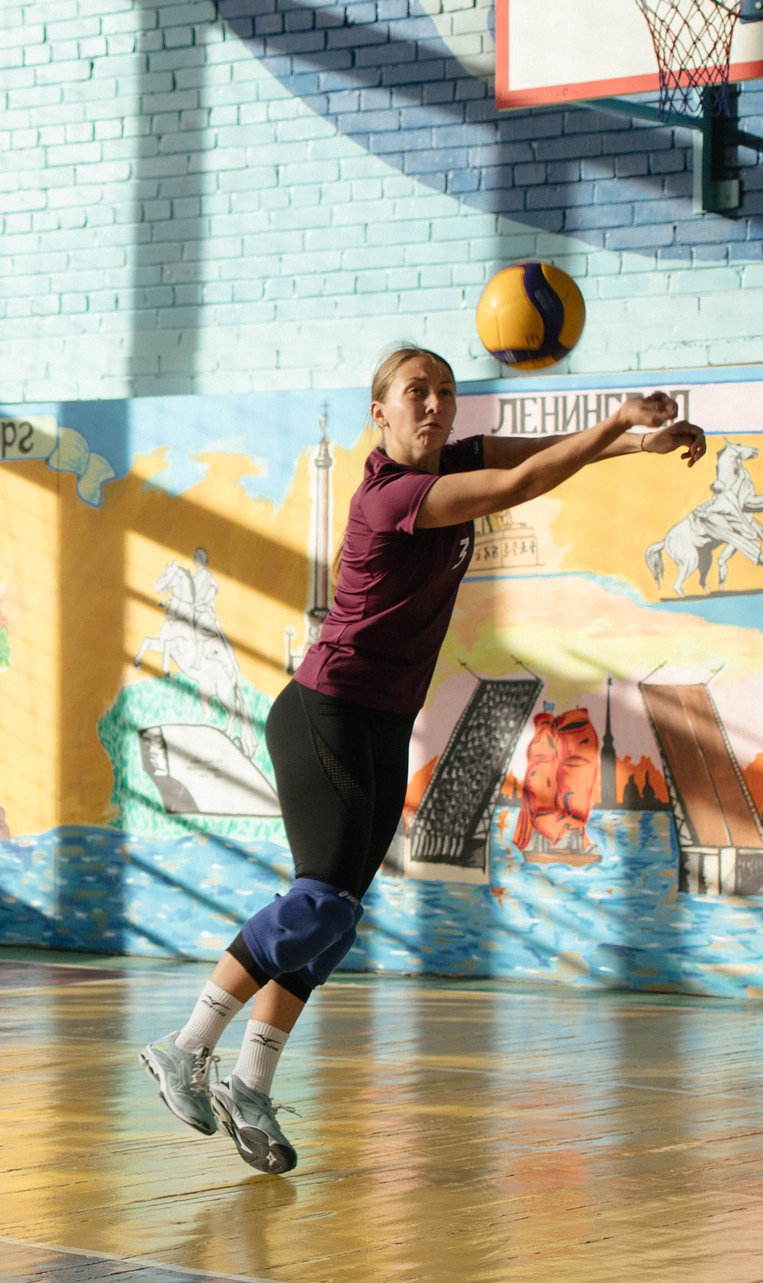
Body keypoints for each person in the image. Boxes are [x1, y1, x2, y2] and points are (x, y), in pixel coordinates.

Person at [138, 343, 705, 1173]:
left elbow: (537, 461)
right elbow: (520, 486)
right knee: (317, 907)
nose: (435, 404)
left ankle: (250, 1083)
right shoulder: (395, 496)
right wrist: (619, 419)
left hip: (380, 724)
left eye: (446, 391)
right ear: (380, 412)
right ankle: (184, 1046)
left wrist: (631, 444)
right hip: (325, 711)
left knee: (332, 928)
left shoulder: (450, 462)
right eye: (416, 392)